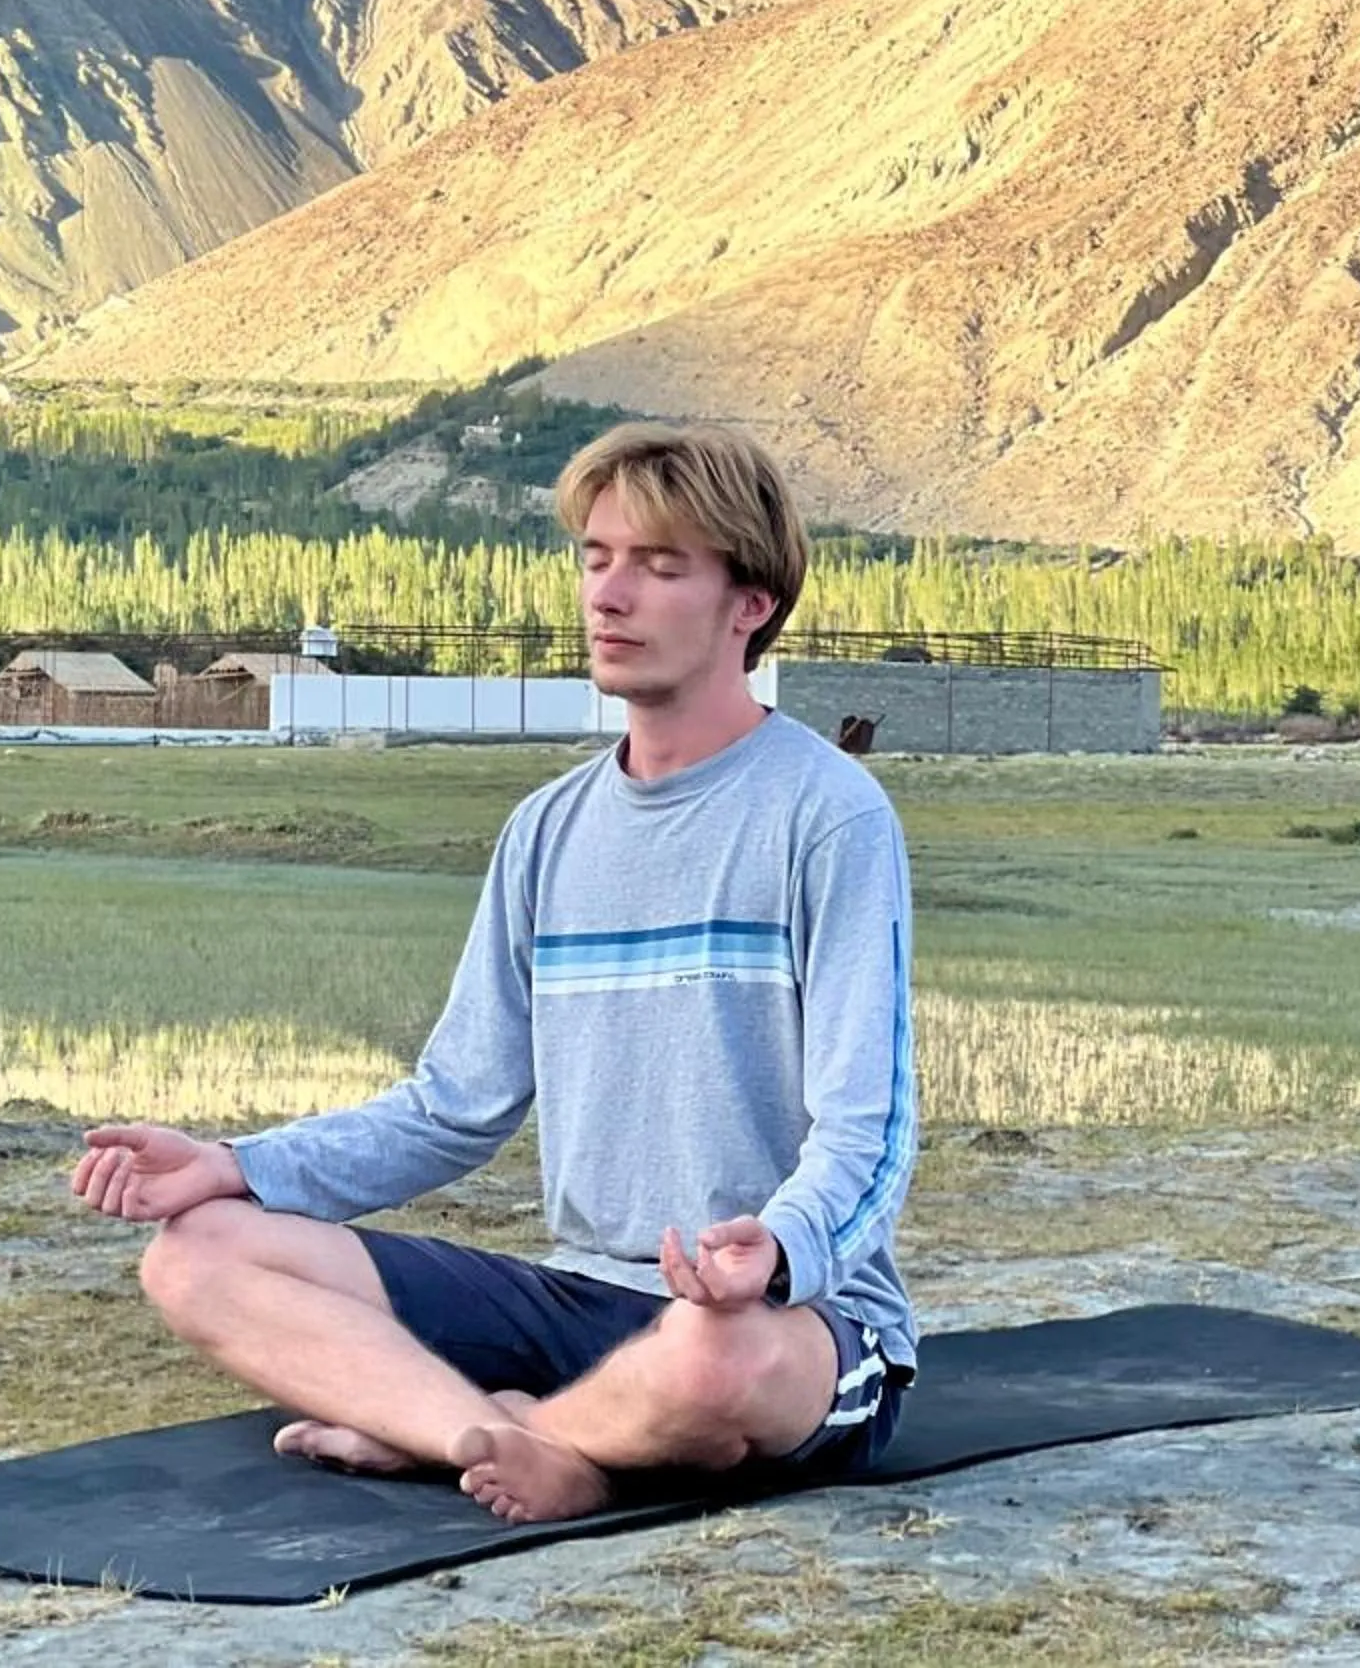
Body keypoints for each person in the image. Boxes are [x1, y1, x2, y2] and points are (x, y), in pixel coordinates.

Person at [71, 420, 917, 1523]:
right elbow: (451, 1109)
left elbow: (871, 1129)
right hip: (577, 1297)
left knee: (715, 1364)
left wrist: (780, 1251)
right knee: (197, 1258)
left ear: (748, 603)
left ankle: (458, 1432)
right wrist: (235, 1166)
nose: (610, 596)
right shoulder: (546, 831)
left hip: (777, 1321)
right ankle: (511, 1440)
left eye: (660, 568)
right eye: (596, 557)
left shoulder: (827, 815)